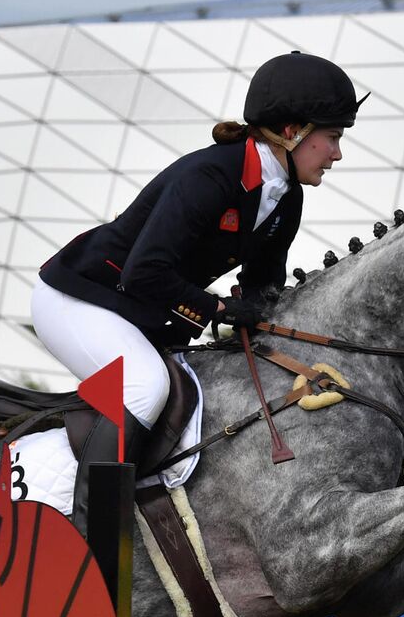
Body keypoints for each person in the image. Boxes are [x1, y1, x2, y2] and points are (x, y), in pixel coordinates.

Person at [31, 51, 365, 519]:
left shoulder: (286, 197)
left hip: (137, 311)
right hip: (79, 298)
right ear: (293, 132)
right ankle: (94, 527)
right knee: (145, 387)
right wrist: (217, 313)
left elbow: (261, 289)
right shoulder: (209, 176)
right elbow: (143, 272)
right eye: (332, 138)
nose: (337, 153)